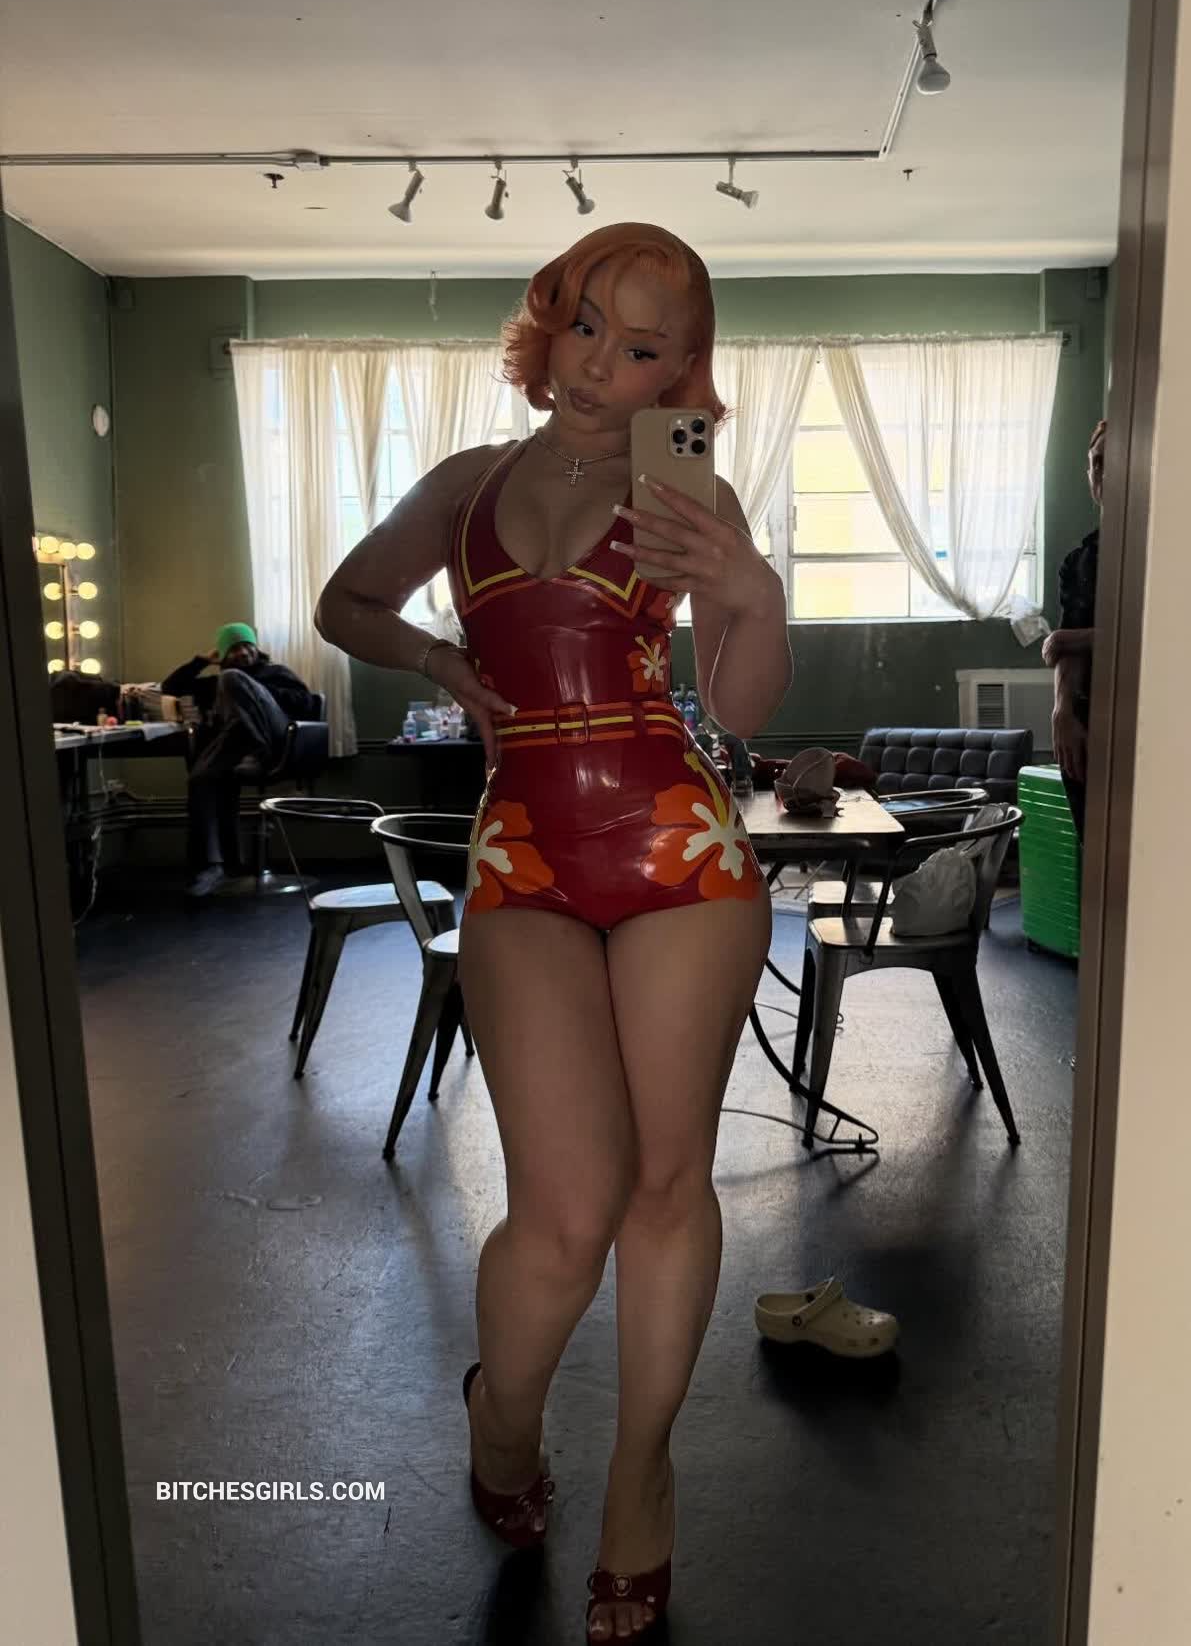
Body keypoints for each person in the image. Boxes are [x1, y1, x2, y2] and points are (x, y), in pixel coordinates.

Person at [314, 222, 791, 1642]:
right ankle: (503, 1414)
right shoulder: (466, 486)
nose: (598, 366)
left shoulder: (685, 489)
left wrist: (751, 589)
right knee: (565, 1214)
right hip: (520, 852)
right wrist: (437, 658)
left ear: (680, 369)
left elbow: (742, 708)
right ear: (549, 318)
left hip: (680, 844)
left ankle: (643, 1476)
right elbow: (347, 601)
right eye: (585, 324)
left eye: (641, 349)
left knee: (666, 1185)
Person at [162, 622, 320, 896]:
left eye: (247, 646)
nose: (244, 652)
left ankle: (255, 749)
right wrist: (201, 661)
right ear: (223, 655)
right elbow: (170, 687)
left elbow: (308, 704)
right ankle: (212, 867)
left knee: (233, 679)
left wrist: (256, 691)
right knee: (201, 778)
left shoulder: (275, 672)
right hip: (235, 749)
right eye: (234, 649)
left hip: (275, 743)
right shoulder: (218, 683)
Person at [1044, 419, 1106, 841]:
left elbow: (1169, 635)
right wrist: (1062, 711)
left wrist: (1077, 638)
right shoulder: (1080, 560)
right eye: (1095, 462)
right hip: (1084, 721)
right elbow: (1066, 651)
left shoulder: (1166, 551)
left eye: (1112, 461)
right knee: (1093, 841)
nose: (1103, 472)